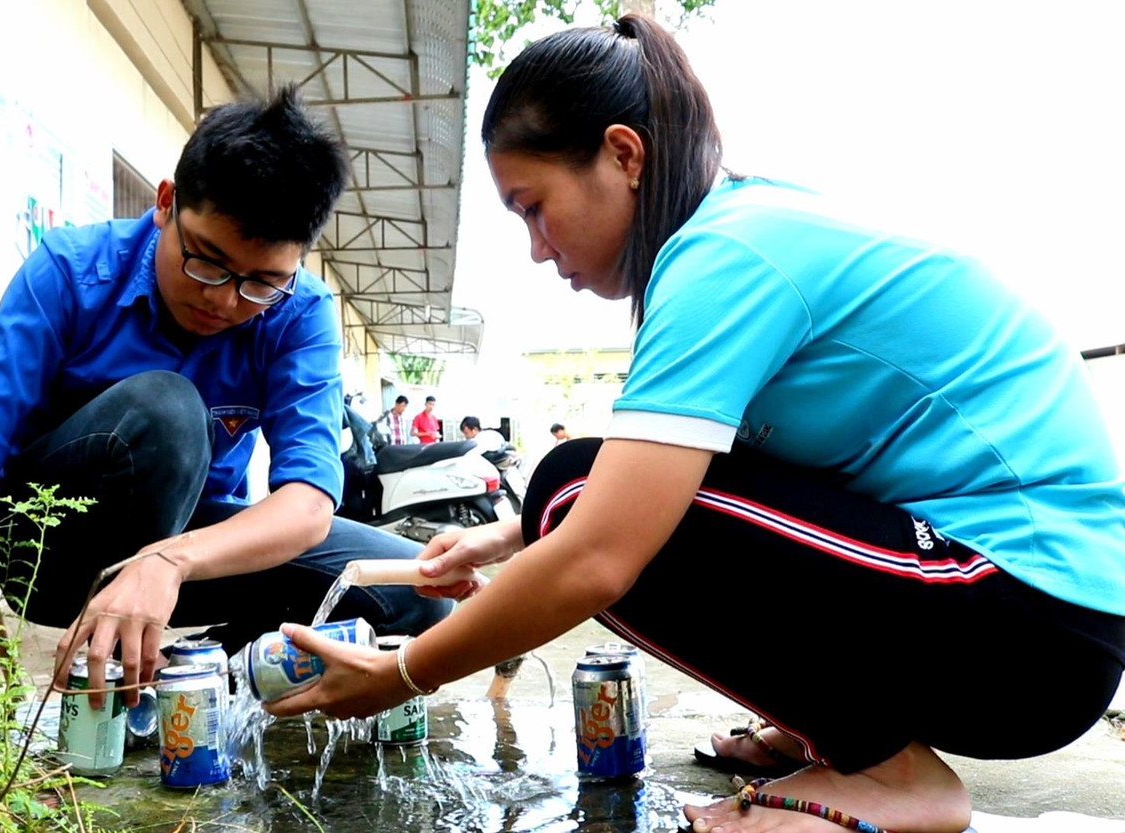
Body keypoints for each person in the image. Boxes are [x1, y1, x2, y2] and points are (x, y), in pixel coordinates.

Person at [265, 16, 1125, 833]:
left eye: (532, 207)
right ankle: (831, 729)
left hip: (1032, 623)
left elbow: (601, 548)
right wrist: (501, 538)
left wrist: (404, 672)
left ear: (623, 154)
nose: (535, 246)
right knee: (572, 497)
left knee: (570, 493)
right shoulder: (736, 232)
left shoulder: (727, 256)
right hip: (1020, 611)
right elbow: (686, 482)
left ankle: (889, 774)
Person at [0, 86, 450, 708]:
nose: (224, 299)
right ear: (165, 203)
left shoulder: (300, 312)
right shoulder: (72, 270)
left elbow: (306, 503)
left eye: (260, 283)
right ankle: (98, 651)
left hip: (182, 559)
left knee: (416, 589)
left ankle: (214, 678)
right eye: (207, 262)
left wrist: (168, 559)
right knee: (169, 411)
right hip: (46, 543)